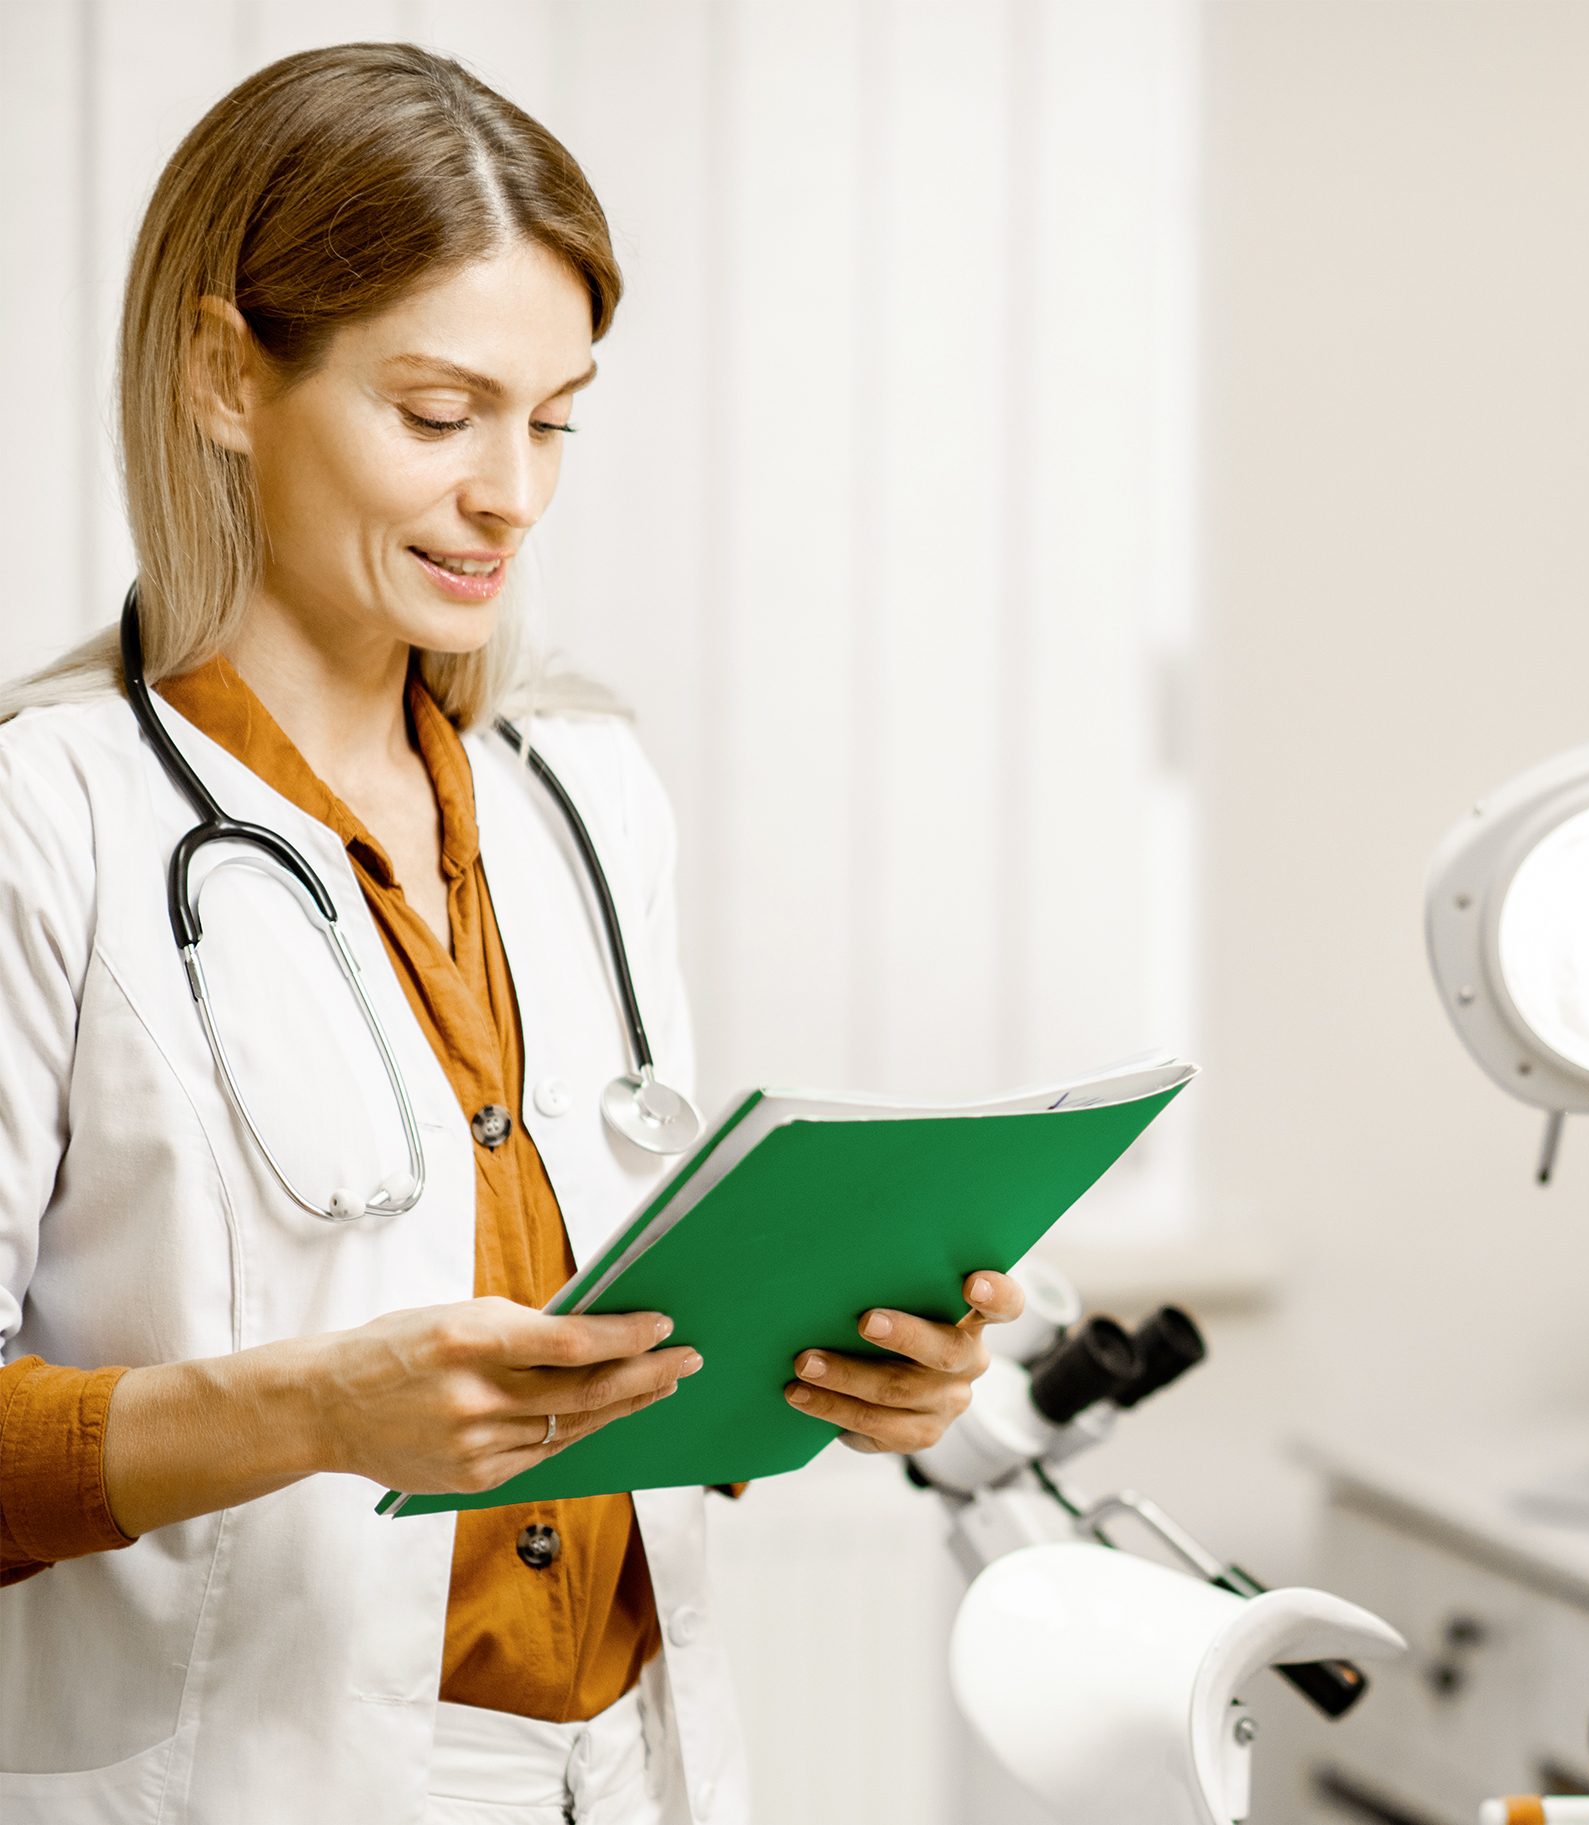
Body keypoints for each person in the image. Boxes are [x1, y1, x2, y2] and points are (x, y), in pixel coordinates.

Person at [0, 45, 1018, 1825]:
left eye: (552, 418)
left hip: (626, 1761)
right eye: (439, 410)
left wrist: (832, 1367)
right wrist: (312, 1410)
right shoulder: (52, 819)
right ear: (228, 376)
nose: (513, 493)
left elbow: (611, 1335)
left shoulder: (586, 791)